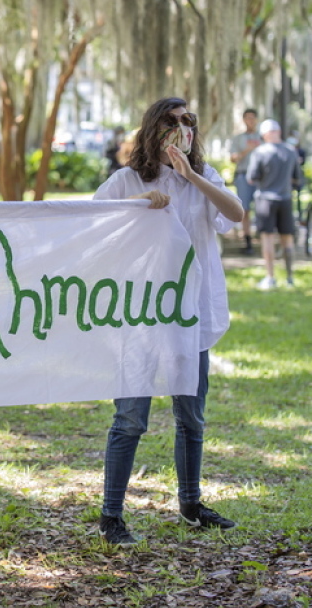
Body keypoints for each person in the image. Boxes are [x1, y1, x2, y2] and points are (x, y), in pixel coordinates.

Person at [92, 97, 244, 546]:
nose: (182, 128)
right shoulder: (126, 179)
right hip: (140, 314)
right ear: (153, 130)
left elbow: (234, 215)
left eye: (188, 122)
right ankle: (112, 515)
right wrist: (138, 202)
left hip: (192, 313)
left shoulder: (204, 178)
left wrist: (191, 176)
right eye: (172, 121)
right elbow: (91, 224)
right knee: (131, 418)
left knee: (191, 417)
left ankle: (191, 504)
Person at [247, 119, 304, 289]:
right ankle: (289, 277)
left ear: (264, 134)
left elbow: (252, 177)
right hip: (285, 198)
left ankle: (270, 277)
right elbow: (297, 177)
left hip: (265, 199)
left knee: (268, 239)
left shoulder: (260, 152)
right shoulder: (291, 151)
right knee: (287, 239)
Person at [228, 108, 261, 253]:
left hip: (261, 178)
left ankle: (262, 236)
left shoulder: (263, 137)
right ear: (244, 120)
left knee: (262, 209)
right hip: (243, 175)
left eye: (253, 118)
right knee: (245, 209)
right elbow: (233, 158)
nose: (250, 121)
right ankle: (247, 241)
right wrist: (247, 150)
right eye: (247, 118)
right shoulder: (238, 138)